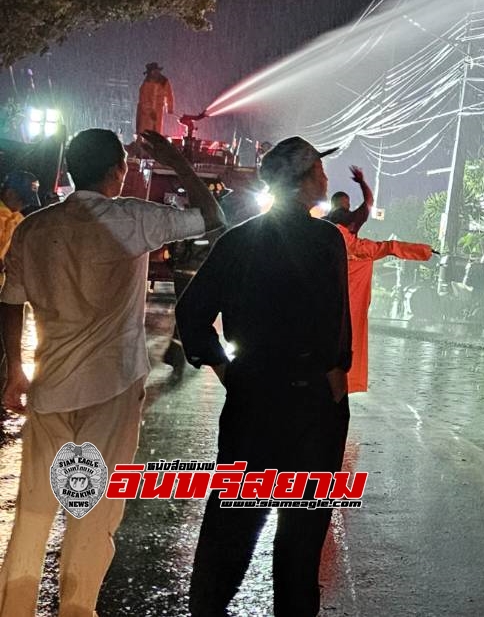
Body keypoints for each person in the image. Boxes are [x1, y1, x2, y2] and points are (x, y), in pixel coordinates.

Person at [0, 130, 221, 617]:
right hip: (112, 388)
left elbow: (10, 302)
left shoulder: (32, 229)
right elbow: (214, 218)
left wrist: (15, 369)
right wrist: (176, 162)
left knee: (35, 510)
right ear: (118, 170)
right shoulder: (132, 219)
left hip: (50, 387)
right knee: (93, 511)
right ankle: (76, 609)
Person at [176, 136, 352, 617]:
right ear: (301, 181)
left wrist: (224, 366)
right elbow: (334, 327)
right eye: (319, 169)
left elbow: (191, 313)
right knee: (300, 540)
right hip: (312, 407)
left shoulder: (238, 240)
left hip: (252, 397)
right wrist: (336, 375)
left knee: (231, 528)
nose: (325, 178)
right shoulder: (326, 241)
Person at [335, 225, 432, 393]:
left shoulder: (320, 236)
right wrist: (423, 251)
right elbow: (386, 247)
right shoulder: (345, 240)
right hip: (342, 314)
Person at [0, 172, 38, 288]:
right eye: (23, 200)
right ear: (9, 193)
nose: (25, 205)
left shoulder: (19, 219)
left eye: (28, 202)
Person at [323, 165, 373, 235]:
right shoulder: (350, 218)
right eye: (346, 202)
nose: (349, 205)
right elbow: (369, 201)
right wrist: (362, 182)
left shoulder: (322, 221)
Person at [135, 62, 176, 139]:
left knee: (156, 131)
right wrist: (149, 111)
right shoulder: (146, 83)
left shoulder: (164, 81)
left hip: (158, 109)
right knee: (145, 132)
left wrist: (170, 108)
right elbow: (143, 99)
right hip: (145, 114)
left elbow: (169, 95)